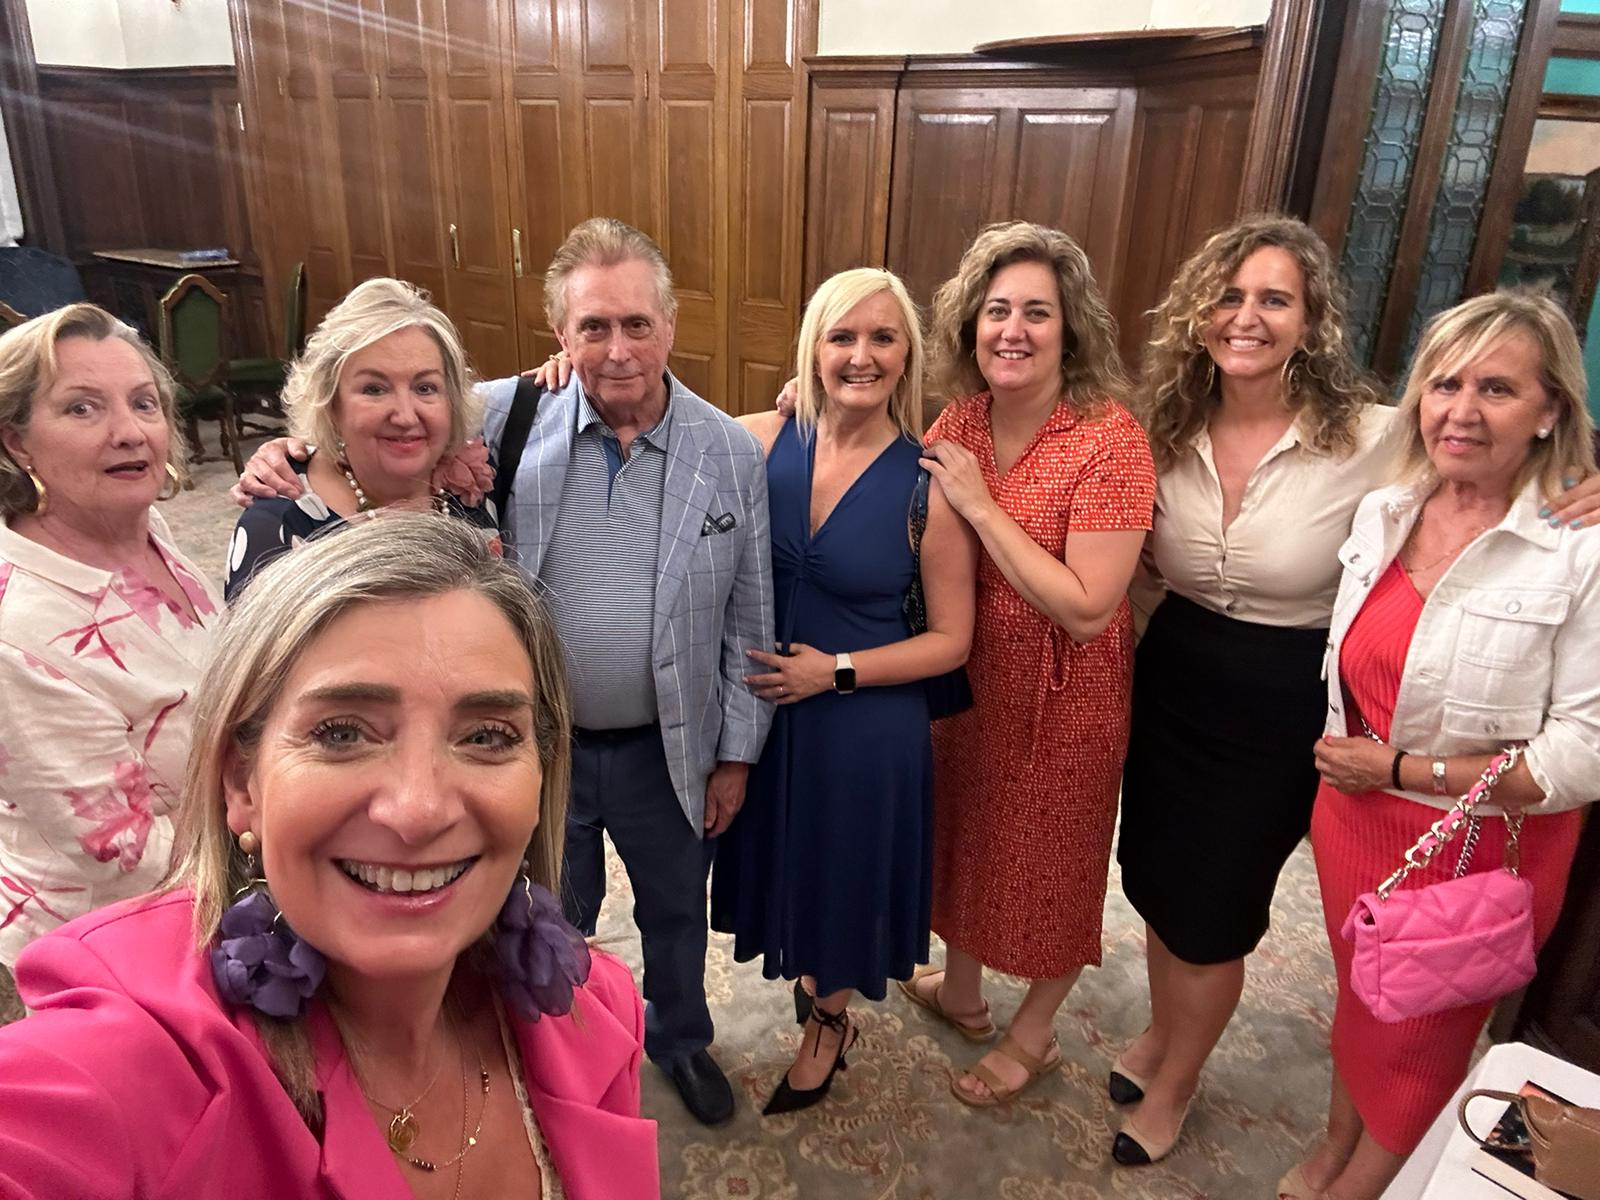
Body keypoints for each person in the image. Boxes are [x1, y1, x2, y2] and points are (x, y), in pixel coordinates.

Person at [238, 218, 774, 1126]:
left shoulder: (728, 449)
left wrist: (737, 754)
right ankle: (559, 1057)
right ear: (559, 334)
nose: (616, 349)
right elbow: (378, 419)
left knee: (677, 914)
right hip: (532, 748)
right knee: (544, 916)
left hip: (669, 748)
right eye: (592, 327)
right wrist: (286, 456)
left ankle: (681, 1038)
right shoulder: (505, 417)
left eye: (636, 324)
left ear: (672, 326)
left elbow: (751, 617)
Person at [0, 513, 659, 1200]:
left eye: (487, 737)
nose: (418, 810)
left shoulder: (599, 1009)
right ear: (241, 785)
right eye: (342, 733)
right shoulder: (145, 1060)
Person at [1282, 290, 1600, 1200]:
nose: (1461, 409)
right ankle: (1338, 1144)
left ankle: (1364, 1185)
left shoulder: (1580, 547)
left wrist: (1401, 770)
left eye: (1497, 388)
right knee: (1360, 1002)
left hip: (1478, 848)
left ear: (1550, 410)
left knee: (1420, 1044)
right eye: (1444, 383)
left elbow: (1583, 754)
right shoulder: (1389, 508)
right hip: (1354, 821)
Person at [1109, 216, 1392, 1166]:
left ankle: (1178, 1081)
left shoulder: (1375, 437)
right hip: (1174, 674)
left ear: (1312, 321)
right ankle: (1162, 1034)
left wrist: (1576, 480)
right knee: (1156, 881)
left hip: (1281, 698)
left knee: (1213, 910)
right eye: (1229, 297)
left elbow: (1502, 444)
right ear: (1198, 316)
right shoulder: (1165, 428)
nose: (1247, 317)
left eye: (1275, 299)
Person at [900, 222, 1156, 1112]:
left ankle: (1034, 1033)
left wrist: (980, 504)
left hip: (1065, 692)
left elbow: (1087, 606)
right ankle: (963, 992)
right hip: (968, 675)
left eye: (1036, 313)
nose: (1013, 330)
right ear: (971, 325)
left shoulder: (1110, 440)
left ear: (1069, 327)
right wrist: (801, 403)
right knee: (967, 837)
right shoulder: (961, 418)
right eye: (997, 310)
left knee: (1053, 864)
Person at [708, 267, 977, 1114]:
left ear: (907, 356)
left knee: (844, 882)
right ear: (812, 351)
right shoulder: (761, 441)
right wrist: (552, 371)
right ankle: (812, 987)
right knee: (790, 868)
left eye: (883, 338)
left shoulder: (928, 484)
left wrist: (836, 671)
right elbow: (650, 414)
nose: (862, 355)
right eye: (842, 337)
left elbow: (952, 640)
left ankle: (830, 1023)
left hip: (866, 723)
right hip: (768, 716)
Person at [0, 303, 220, 1020]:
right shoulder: (19, 629)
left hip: (218, 887)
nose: (130, 431)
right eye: (82, 408)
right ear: (16, 441)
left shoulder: (143, 530)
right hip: (112, 958)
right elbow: (126, 857)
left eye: (144, 403)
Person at [223, 277, 498, 601]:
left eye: (425, 388)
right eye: (374, 389)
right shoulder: (277, 528)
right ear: (330, 403)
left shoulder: (474, 483)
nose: (406, 416)